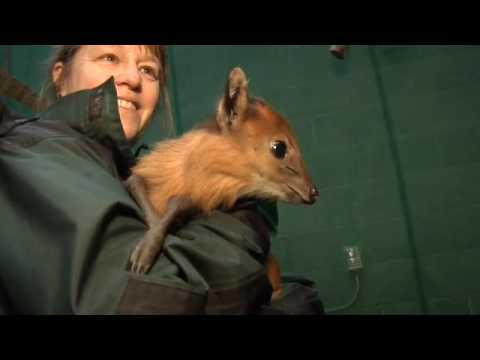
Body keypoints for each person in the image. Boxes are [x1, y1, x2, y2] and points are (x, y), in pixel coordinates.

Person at [0, 45, 324, 315]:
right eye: (109, 58)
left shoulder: (119, 168)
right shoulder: (31, 153)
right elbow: (142, 299)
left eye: (148, 70)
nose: (131, 78)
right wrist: (245, 230)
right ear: (60, 75)